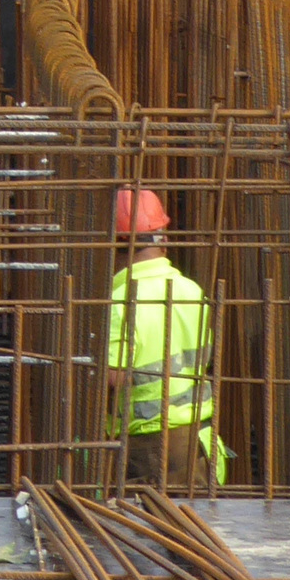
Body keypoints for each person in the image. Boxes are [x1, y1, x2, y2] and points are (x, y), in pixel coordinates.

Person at [103, 188, 225, 488]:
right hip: (198, 438)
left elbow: (112, 376)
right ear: (164, 239)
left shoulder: (120, 300)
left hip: (149, 446)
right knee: (195, 531)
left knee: (144, 533)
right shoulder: (191, 289)